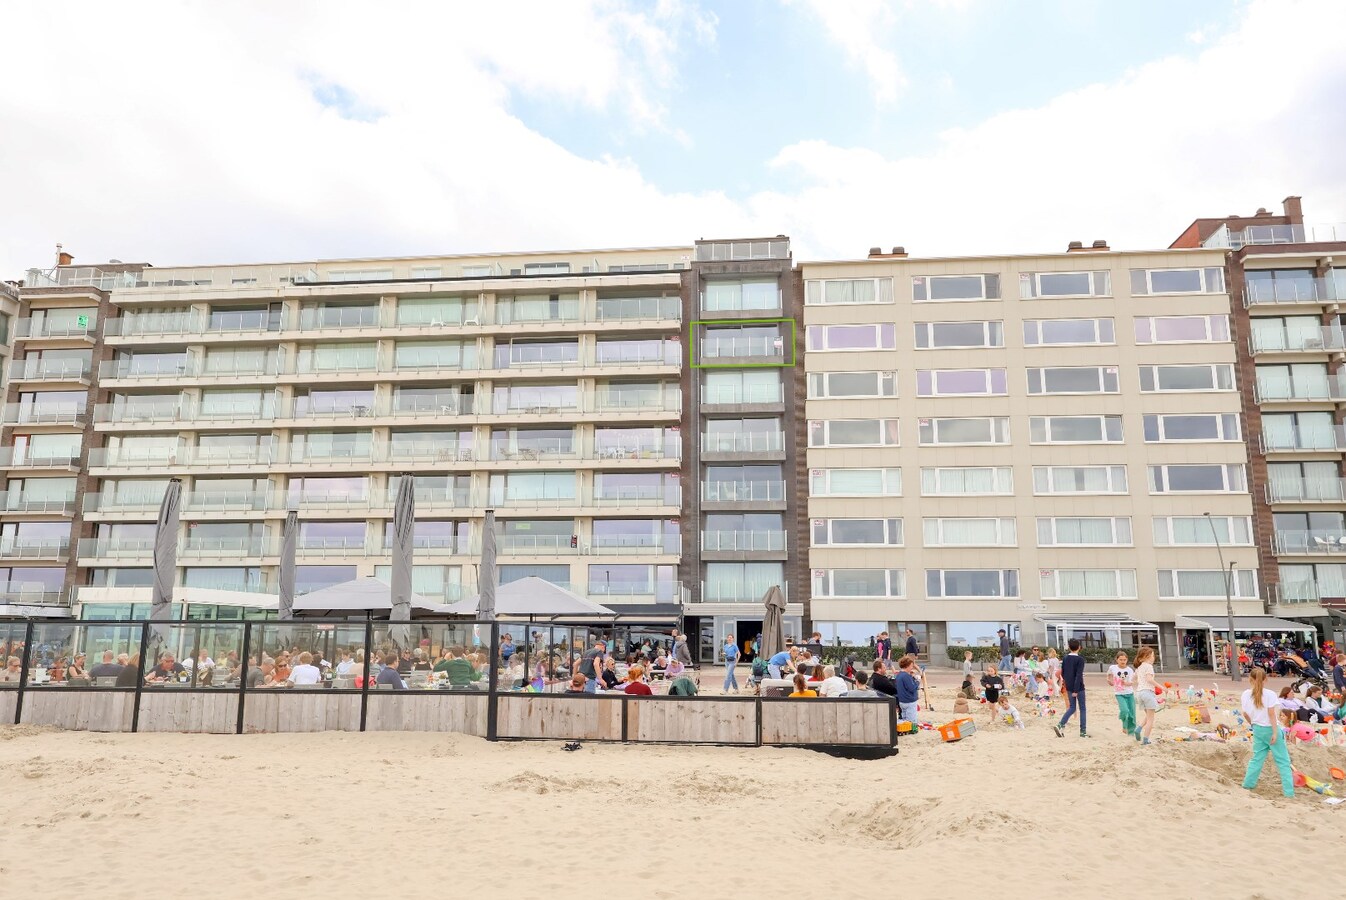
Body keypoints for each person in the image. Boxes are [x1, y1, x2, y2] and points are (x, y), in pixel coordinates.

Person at [1242, 666, 1295, 798]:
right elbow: (1271, 714)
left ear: (1250, 679)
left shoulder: (1245, 694)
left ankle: (1248, 784)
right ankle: (1289, 792)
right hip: (1270, 728)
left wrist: (1253, 724)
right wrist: (1275, 732)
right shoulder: (1270, 694)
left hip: (1258, 728)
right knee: (1283, 761)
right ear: (1266, 679)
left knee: (1257, 758)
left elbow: (1245, 713)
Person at [1053, 639, 1088, 738]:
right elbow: (1078, 675)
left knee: (1072, 707)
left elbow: (1063, 673)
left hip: (1068, 686)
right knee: (1083, 708)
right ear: (1079, 647)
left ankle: (1060, 724)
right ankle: (1082, 731)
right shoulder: (1080, 659)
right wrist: (1076, 690)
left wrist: (1068, 685)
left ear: (1069, 647)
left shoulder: (1065, 658)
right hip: (1079, 688)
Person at [1131, 646, 1158, 744]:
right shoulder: (1148, 666)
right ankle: (1146, 740)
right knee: (1151, 718)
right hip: (1147, 692)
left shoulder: (1139, 667)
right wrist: (1162, 687)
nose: (1153, 658)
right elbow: (1149, 679)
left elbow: (1132, 680)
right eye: (1152, 656)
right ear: (1147, 657)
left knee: (1149, 715)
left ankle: (1138, 729)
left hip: (1139, 693)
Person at [1107, 651, 1137, 736]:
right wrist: (1109, 680)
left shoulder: (1129, 670)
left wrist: (1125, 683)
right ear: (1117, 660)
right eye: (1121, 659)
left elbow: (1131, 682)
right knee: (1124, 710)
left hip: (1129, 693)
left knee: (1132, 714)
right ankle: (1124, 725)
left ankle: (1131, 732)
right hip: (1119, 694)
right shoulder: (1113, 668)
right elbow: (1109, 674)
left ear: (1127, 660)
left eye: (1124, 659)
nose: (1123, 661)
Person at [895, 655, 921, 724]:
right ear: (907, 665)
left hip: (902, 701)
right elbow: (912, 688)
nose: (912, 667)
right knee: (911, 722)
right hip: (909, 701)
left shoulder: (899, 675)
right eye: (911, 666)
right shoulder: (905, 676)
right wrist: (917, 681)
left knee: (904, 720)